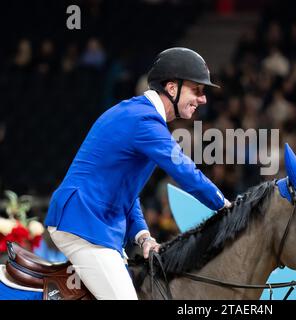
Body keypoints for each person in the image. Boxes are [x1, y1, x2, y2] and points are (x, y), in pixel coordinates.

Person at [44, 47, 232, 300]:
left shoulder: (139, 116)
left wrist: (142, 235)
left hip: (96, 224)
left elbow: (126, 192)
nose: (203, 99)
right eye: (197, 90)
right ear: (172, 88)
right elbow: (185, 171)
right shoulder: (144, 121)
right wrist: (227, 207)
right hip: (83, 222)